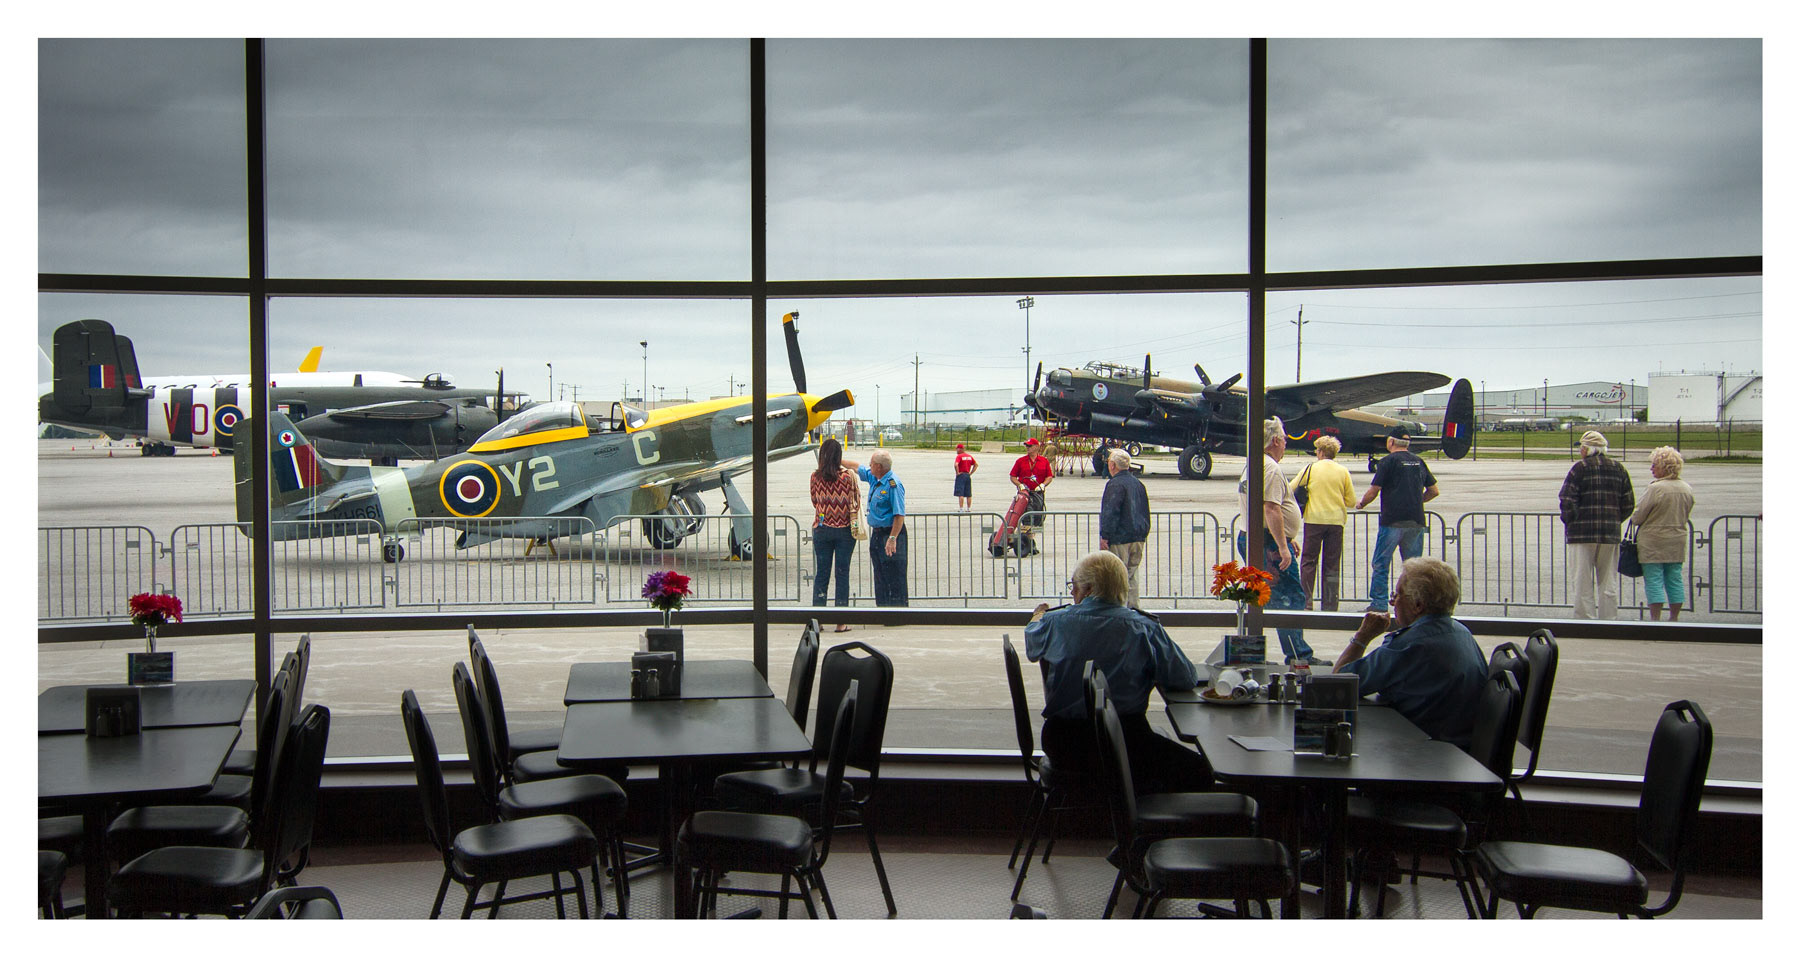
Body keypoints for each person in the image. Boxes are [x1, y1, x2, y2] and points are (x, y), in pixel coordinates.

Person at [1025, 551, 1213, 794]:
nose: (1072, 592)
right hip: (1127, 742)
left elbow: (1032, 645)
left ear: (1089, 588)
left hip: (1063, 743)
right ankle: (1148, 823)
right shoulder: (1144, 627)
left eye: (1074, 585)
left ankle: (1122, 819)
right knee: (1200, 771)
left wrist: (1037, 616)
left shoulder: (1053, 623)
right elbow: (1184, 678)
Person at [1332, 557, 1488, 751]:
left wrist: (1363, 637)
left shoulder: (1410, 645)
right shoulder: (1462, 633)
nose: (1393, 602)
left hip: (1423, 753)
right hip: (1458, 749)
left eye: (1397, 595)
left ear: (1417, 605)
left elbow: (1338, 685)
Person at [1236, 417, 1318, 665]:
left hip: (1260, 537)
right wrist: (1282, 546)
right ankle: (1297, 655)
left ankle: (1255, 651)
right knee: (1289, 596)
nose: (1285, 445)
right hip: (1268, 542)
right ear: (1275, 440)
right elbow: (1271, 508)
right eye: (1284, 440)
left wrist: (1286, 537)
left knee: (1264, 595)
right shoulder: (1270, 468)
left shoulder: (1254, 464)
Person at [1355, 425, 1439, 613]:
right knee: (1413, 568)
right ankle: (1412, 604)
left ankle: (1379, 603)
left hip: (1392, 520)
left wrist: (1361, 504)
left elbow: (1374, 490)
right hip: (1416, 520)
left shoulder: (1387, 462)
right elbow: (1434, 490)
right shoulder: (1419, 461)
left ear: (1390, 442)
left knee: (1381, 563)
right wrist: (1418, 501)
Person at [1559, 430, 1635, 619]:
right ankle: (1609, 618)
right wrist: (1615, 520)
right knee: (1608, 580)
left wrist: (1572, 520)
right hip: (1610, 533)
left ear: (1586, 449)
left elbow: (1567, 498)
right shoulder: (1619, 469)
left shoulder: (1579, 469)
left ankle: (1585, 619)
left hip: (1582, 533)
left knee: (1582, 580)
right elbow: (1628, 503)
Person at [1289, 435, 1357, 612]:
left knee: (1309, 561)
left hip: (1314, 520)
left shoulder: (1310, 469)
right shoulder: (1343, 471)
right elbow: (1351, 501)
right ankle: (1330, 603)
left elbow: (1291, 488)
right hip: (1336, 522)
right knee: (1332, 564)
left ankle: (1307, 601)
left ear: (1319, 452)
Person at [1630, 446, 1694, 621]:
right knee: (1674, 578)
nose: (1652, 468)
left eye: (1654, 465)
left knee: (1654, 579)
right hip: (1677, 538)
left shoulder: (1655, 489)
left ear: (1664, 467)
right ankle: (1674, 617)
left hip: (1653, 540)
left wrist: (1635, 518)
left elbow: (1639, 515)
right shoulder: (1686, 488)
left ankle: (1655, 618)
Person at [809, 437, 859, 633]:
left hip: (822, 529)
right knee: (842, 574)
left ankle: (817, 620)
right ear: (839, 456)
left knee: (822, 573)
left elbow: (814, 501)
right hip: (844, 529)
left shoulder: (815, 477)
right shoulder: (848, 477)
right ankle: (840, 621)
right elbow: (854, 501)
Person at [1098, 448, 1151, 609]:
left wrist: (1105, 536)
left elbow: (1111, 510)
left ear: (1113, 465)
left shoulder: (1115, 484)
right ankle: (1133, 609)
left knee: (1117, 577)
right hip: (1138, 535)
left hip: (1120, 537)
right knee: (1132, 575)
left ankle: (1118, 611)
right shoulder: (1138, 484)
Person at [856, 449, 908, 607]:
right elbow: (856, 467)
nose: (869, 466)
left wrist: (892, 539)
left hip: (891, 532)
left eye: (871, 464)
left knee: (894, 574)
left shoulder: (893, 484)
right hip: (878, 534)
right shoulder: (875, 477)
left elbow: (899, 515)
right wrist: (836, 460)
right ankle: (883, 609)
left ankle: (897, 612)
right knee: (880, 573)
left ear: (878, 466)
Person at [1010, 438, 1053, 550]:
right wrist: (1020, 485)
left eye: (1030, 446)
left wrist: (1043, 485)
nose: (1027, 448)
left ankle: (1030, 541)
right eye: (1026, 446)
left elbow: (1049, 476)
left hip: (1038, 494)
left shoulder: (1044, 461)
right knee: (1027, 518)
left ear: (1036, 447)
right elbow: (1013, 476)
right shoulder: (1020, 461)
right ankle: (1028, 541)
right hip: (1025, 494)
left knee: (1037, 518)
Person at [952, 442, 978, 510]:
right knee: (968, 493)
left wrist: (957, 472)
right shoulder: (969, 456)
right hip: (967, 475)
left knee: (961, 493)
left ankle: (961, 508)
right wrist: (970, 473)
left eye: (957, 449)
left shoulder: (959, 456)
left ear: (961, 449)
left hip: (961, 475)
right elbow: (976, 465)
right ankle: (969, 508)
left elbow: (956, 464)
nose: (956, 450)